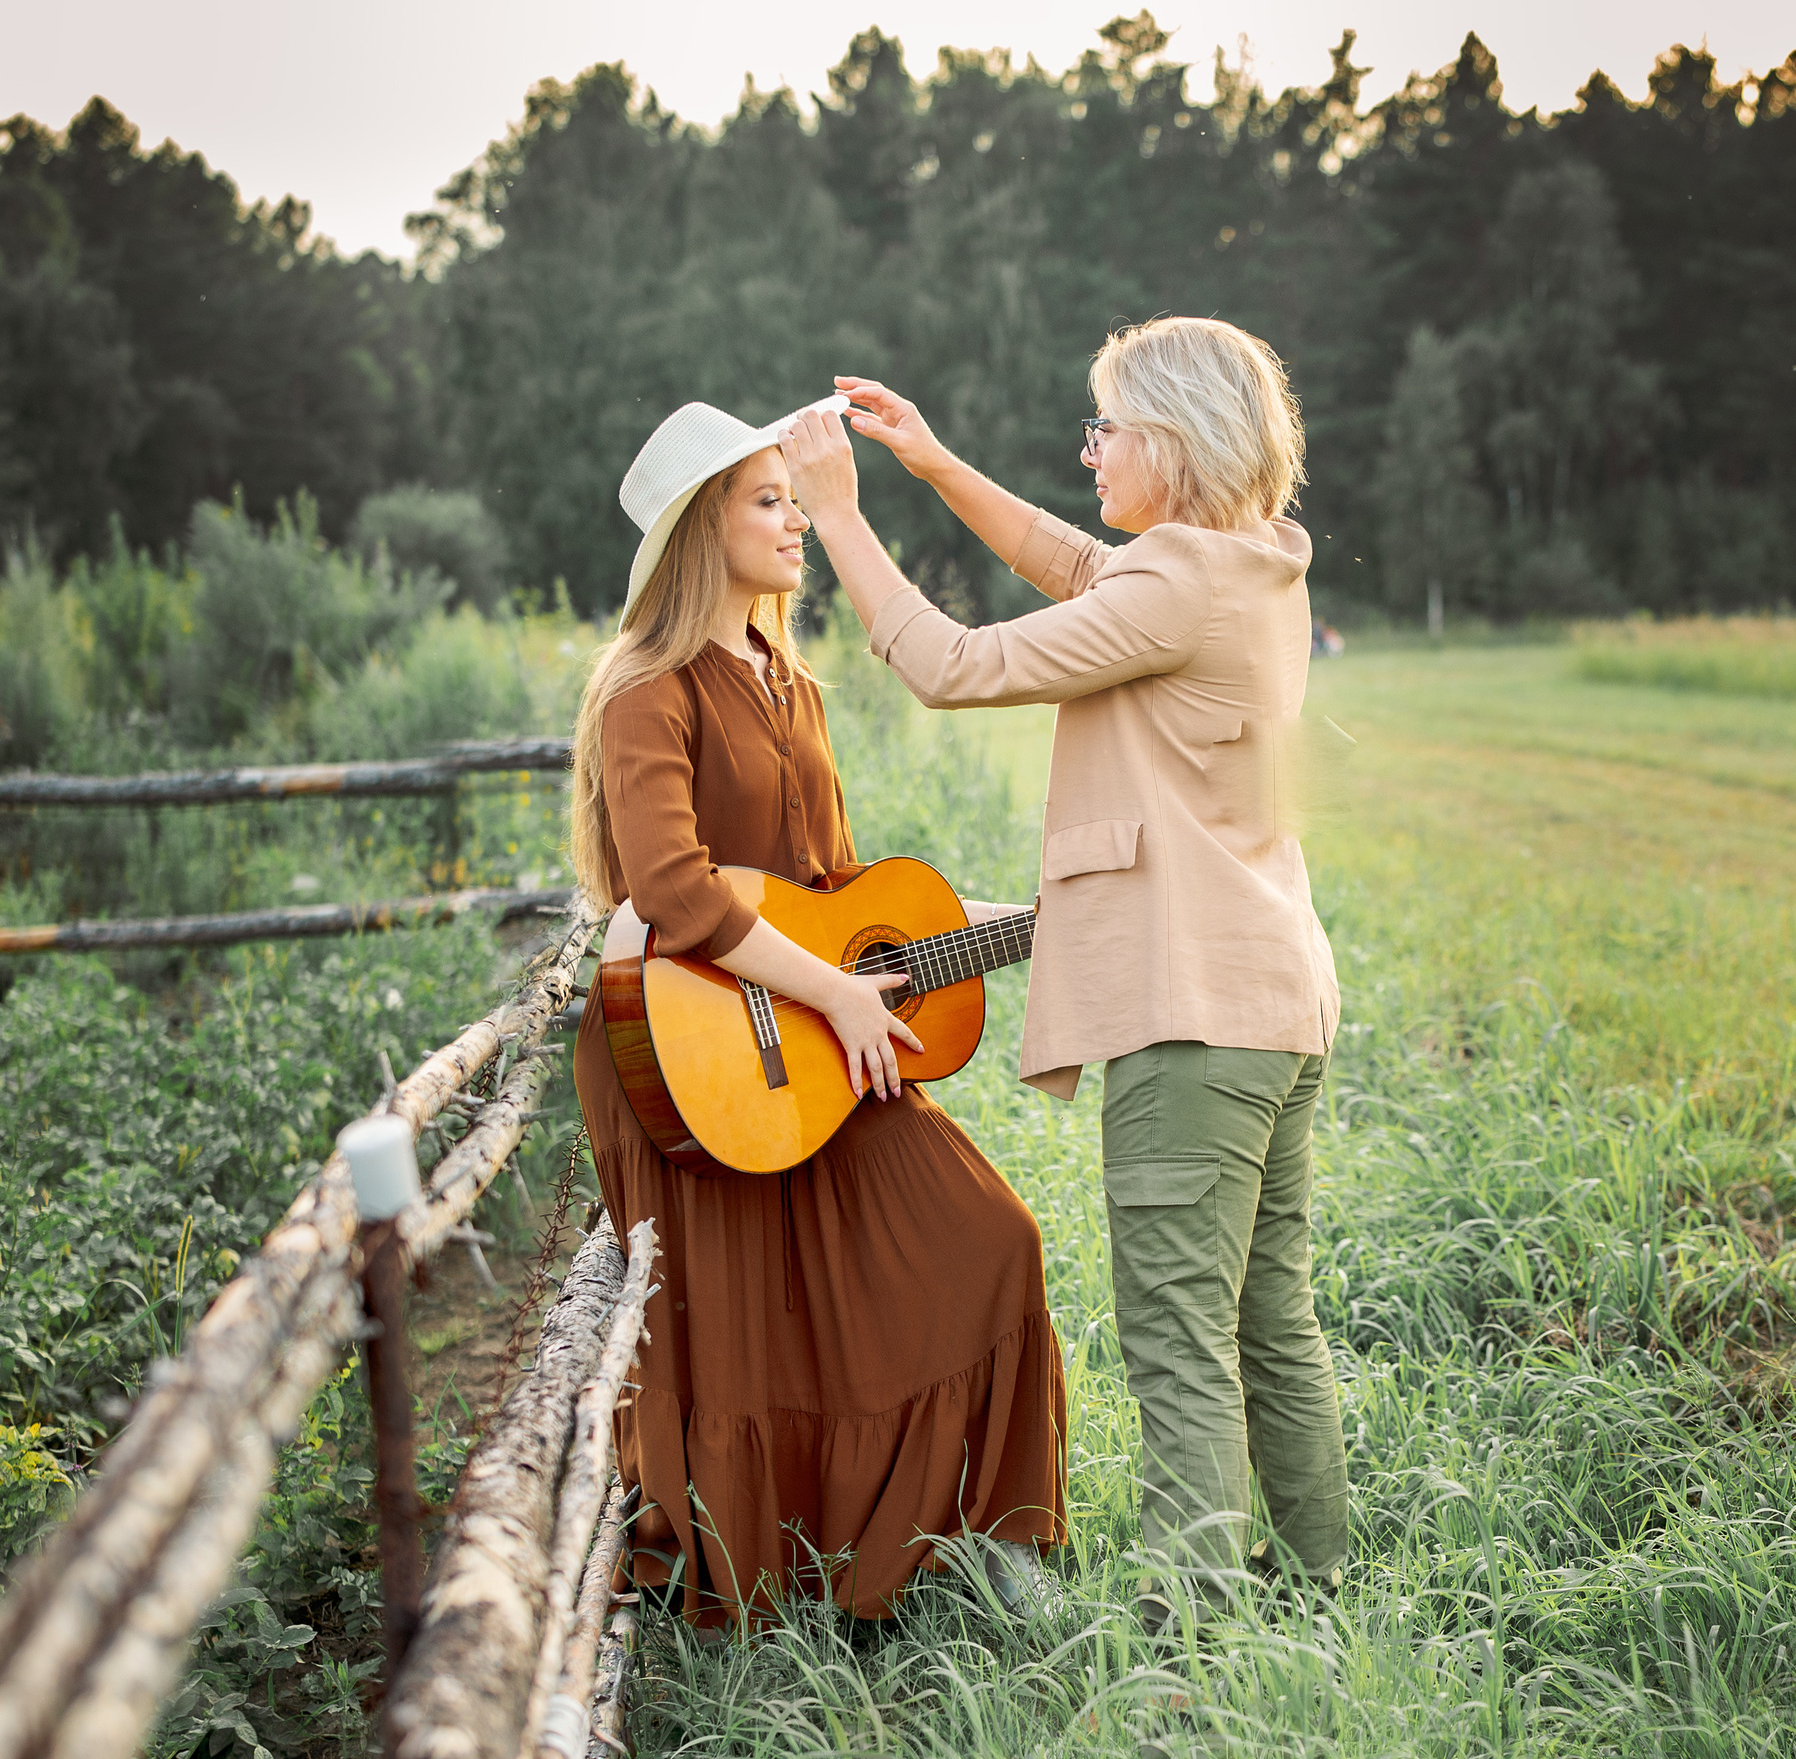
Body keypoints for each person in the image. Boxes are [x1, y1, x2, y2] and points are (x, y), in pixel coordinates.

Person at [780, 315, 1348, 1624]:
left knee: (1179, 1346)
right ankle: (1323, 1592)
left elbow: (951, 663)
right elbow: (1082, 563)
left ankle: (1189, 1635)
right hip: (1273, 1002)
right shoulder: (1247, 566)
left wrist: (840, 513)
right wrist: (933, 463)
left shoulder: (1178, 586)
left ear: (1173, 442)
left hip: (1192, 1013)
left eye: (1106, 429)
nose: (1088, 451)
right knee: (1270, 1322)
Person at [567, 400, 1066, 1627]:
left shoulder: (790, 680)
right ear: (702, 531)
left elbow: (833, 886)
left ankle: (955, 1552)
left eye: (795, 499)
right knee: (750, 1324)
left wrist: (1036, 912)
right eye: (768, 501)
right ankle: (775, 1570)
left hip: (813, 1034)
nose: (797, 523)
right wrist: (837, 989)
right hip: (688, 1051)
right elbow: (670, 888)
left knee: (987, 1238)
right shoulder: (649, 687)